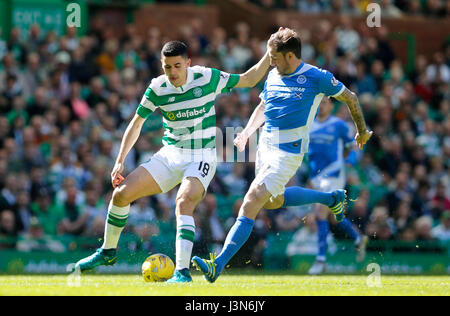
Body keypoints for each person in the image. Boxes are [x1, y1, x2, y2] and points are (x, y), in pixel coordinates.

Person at [74, 39, 271, 283]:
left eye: (177, 66)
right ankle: (107, 251)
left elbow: (249, 79)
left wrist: (268, 54)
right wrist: (119, 161)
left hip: (202, 154)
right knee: (121, 195)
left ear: (188, 63)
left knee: (184, 201)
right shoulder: (157, 87)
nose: (173, 73)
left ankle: (181, 272)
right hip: (171, 153)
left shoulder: (206, 77)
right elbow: (136, 123)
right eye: (167, 67)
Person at [192, 28, 372, 283]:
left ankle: (217, 264)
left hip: (287, 154)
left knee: (251, 200)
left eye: (273, 56)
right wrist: (245, 133)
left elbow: (351, 98)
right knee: (272, 202)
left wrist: (362, 131)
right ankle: (331, 199)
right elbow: (263, 106)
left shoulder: (316, 77)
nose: (270, 61)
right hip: (265, 147)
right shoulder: (273, 75)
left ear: (290, 56)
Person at [307, 96, 368, 275]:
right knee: (333, 217)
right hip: (316, 177)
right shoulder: (309, 125)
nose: (321, 106)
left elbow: (354, 147)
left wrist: (349, 161)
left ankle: (320, 259)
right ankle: (358, 239)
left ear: (331, 105)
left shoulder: (339, 125)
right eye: (317, 103)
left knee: (319, 213)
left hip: (334, 174)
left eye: (324, 103)